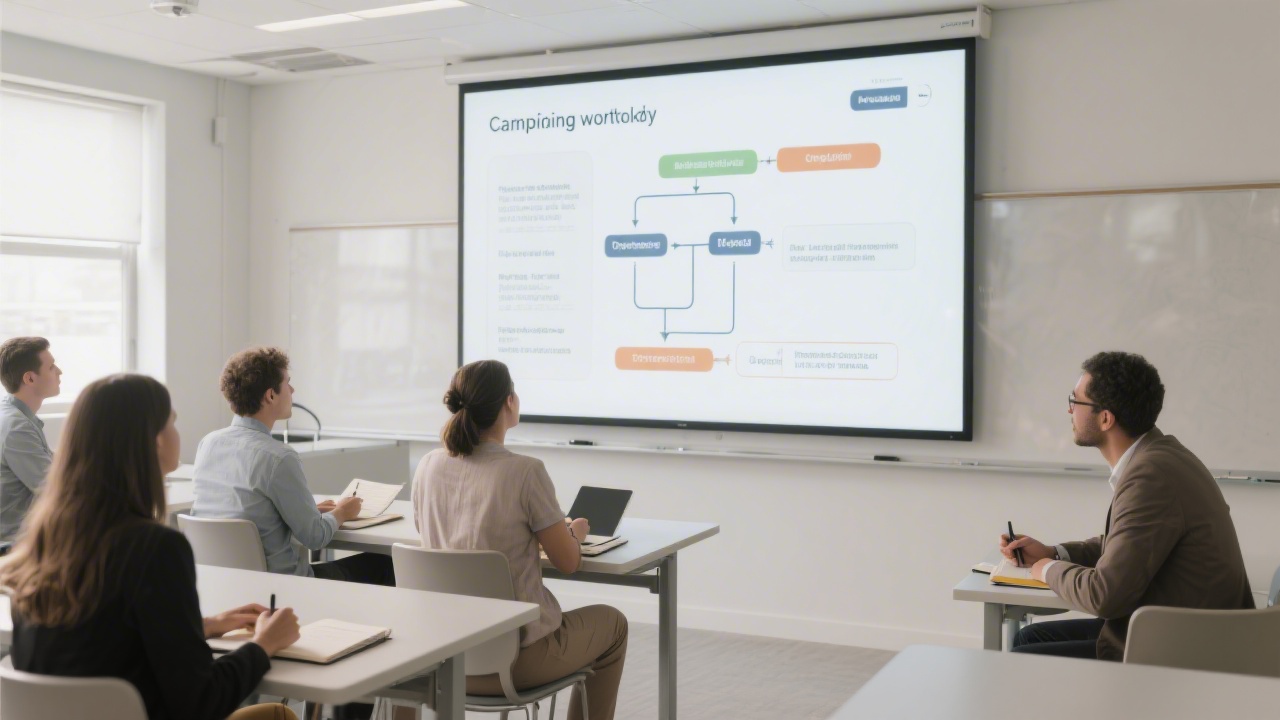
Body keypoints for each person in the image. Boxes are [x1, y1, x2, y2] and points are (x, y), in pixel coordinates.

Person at [0, 373, 302, 720]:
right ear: (155, 441)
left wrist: (201, 626)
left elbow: (98, 639)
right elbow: (201, 702)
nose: (177, 433)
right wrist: (264, 646)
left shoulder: (41, 545)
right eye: (172, 422)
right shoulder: (156, 549)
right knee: (278, 715)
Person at [1001, 351, 1254, 660]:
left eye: (1075, 400)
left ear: (1106, 418)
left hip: (1189, 650)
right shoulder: (1162, 455)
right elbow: (1126, 547)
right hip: (1187, 630)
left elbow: (1103, 596)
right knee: (1030, 637)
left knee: (1025, 656)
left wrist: (1045, 569)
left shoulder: (1151, 476)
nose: (1068, 409)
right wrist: (1054, 553)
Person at [412, 360, 627, 720]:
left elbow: (430, 534)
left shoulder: (428, 465)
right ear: (509, 402)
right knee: (614, 625)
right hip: (513, 663)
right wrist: (573, 533)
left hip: (443, 658)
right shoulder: (525, 472)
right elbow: (569, 562)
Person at [192, 347, 394, 585]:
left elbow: (246, 510)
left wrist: (307, 510)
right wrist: (342, 512)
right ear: (271, 395)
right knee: (385, 564)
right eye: (288, 382)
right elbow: (315, 537)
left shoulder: (208, 444)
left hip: (225, 587)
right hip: (287, 589)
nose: (292, 390)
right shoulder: (278, 457)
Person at [0, 336, 61, 543]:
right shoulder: (17, 427)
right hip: (16, 545)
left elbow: (52, 466)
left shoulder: (16, 416)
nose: (59, 372)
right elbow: (54, 488)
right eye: (52, 367)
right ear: (30, 379)